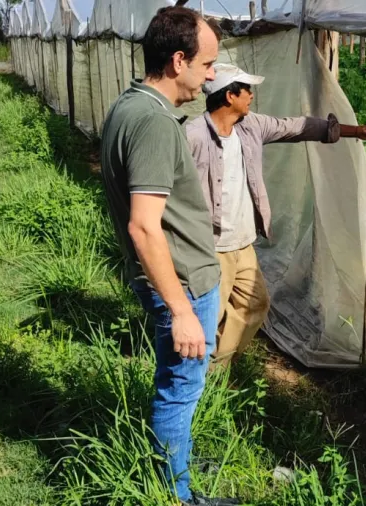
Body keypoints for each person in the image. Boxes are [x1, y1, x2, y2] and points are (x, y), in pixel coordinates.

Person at [99, 7, 239, 506]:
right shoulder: (154, 123)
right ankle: (174, 495)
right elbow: (143, 226)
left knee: (178, 385)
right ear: (179, 60)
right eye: (207, 65)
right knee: (180, 388)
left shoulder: (130, 106)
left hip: (174, 277)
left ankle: (173, 459)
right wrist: (181, 311)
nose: (212, 76)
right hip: (181, 282)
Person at [185, 63, 366, 367]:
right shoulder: (194, 136)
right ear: (229, 96)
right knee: (207, 315)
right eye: (246, 89)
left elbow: (298, 127)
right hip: (211, 245)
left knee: (254, 304)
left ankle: (215, 367)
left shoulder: (250, 126)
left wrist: (357, 131)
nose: (252, 95)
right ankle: (193, 378)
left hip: (242, 243)